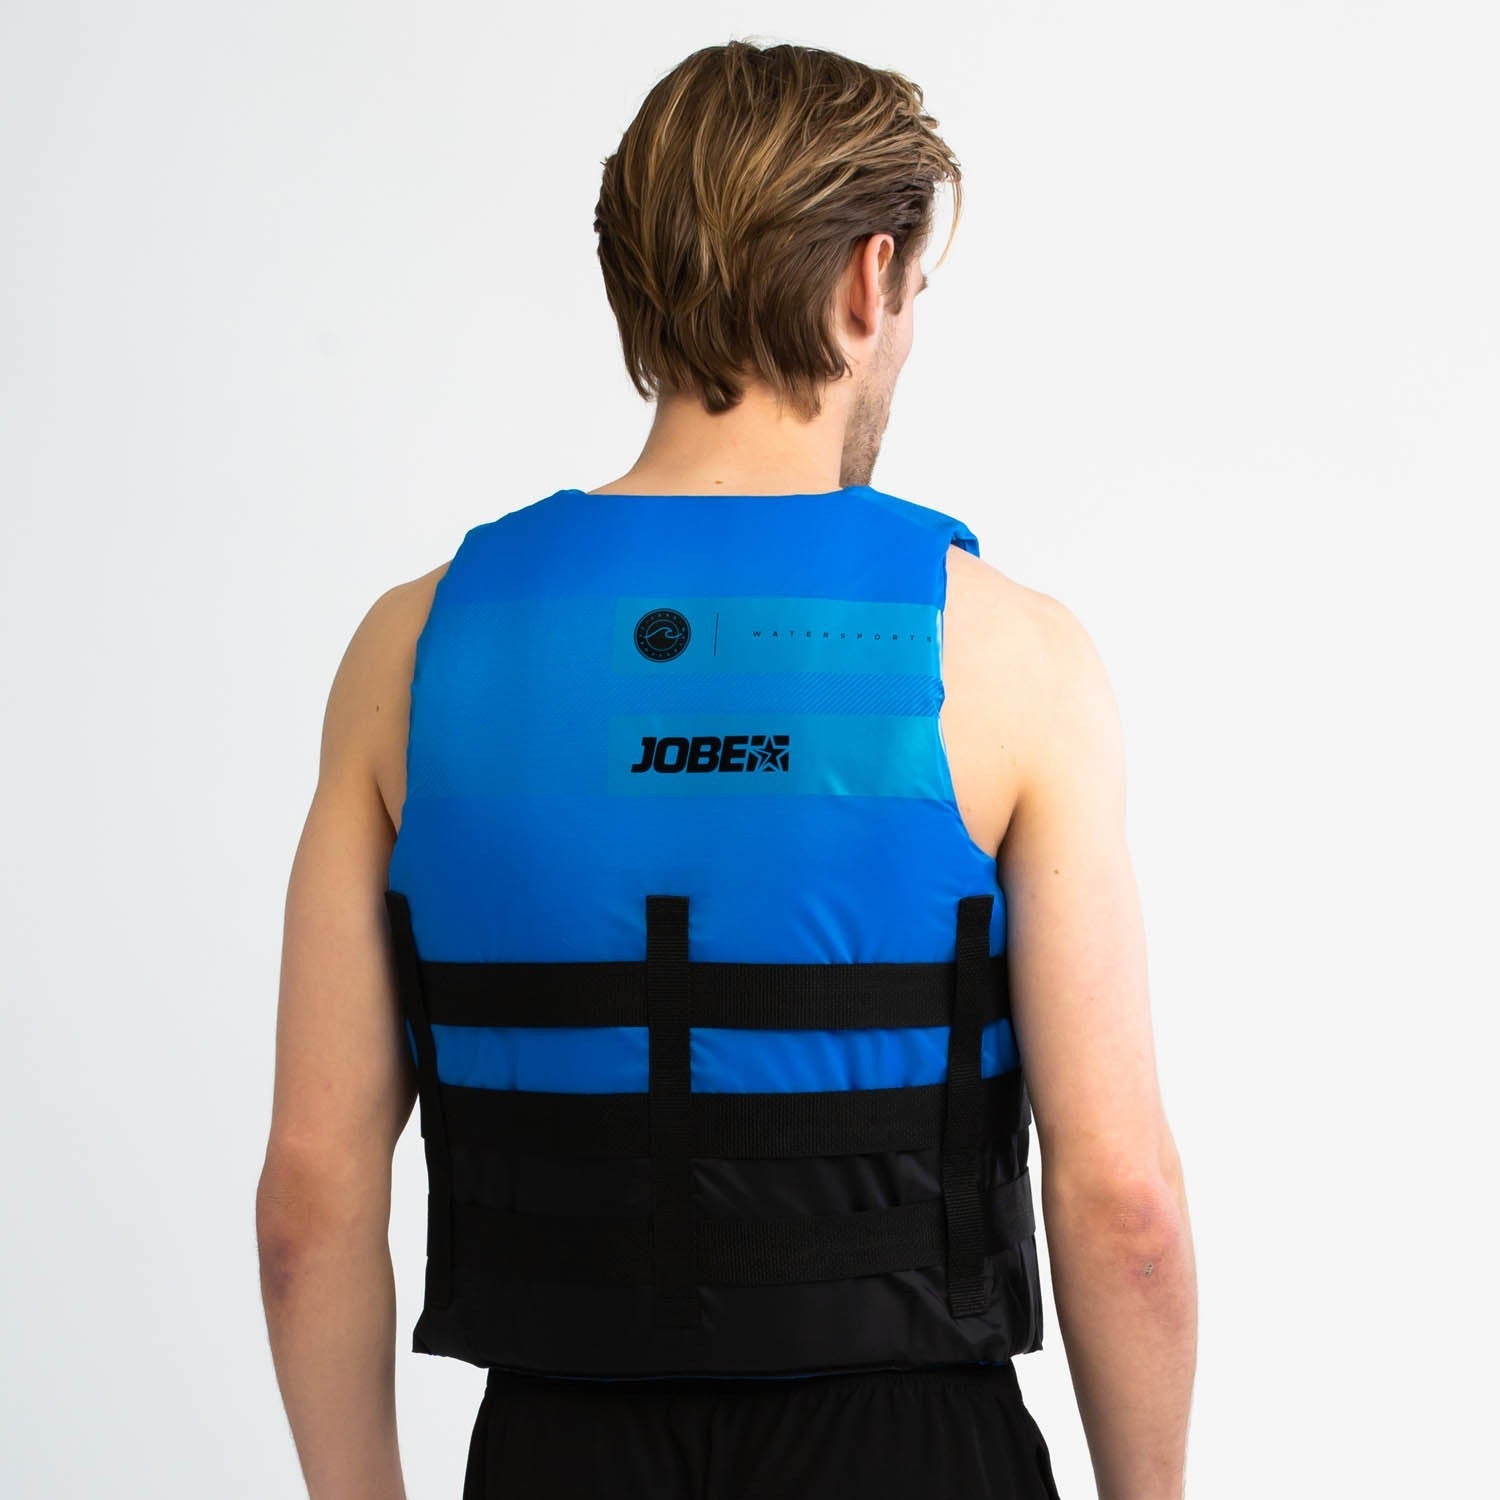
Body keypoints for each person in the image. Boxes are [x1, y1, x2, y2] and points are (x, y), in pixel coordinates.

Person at [257, 37, 1197, 1500]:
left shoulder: (413, 651)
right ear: (870, 281)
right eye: (914, 294)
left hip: (559, 1450)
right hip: (913, 1452)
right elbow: (1124, 1205)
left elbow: (309, 1205)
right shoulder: (1006, 656)